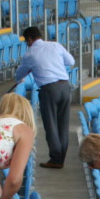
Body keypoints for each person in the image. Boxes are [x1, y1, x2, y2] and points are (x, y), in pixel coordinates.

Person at [14, 26, 75, 169]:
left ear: (29, 39)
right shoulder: (55, 45)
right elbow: (71, 62)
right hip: (65, 86)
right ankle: (61, 158)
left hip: (48, 89)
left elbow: (20, 73)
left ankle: (56, 159)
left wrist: (20, 79)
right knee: (63, 124)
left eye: (26, 41)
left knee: (51, 125)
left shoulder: (30, 54)